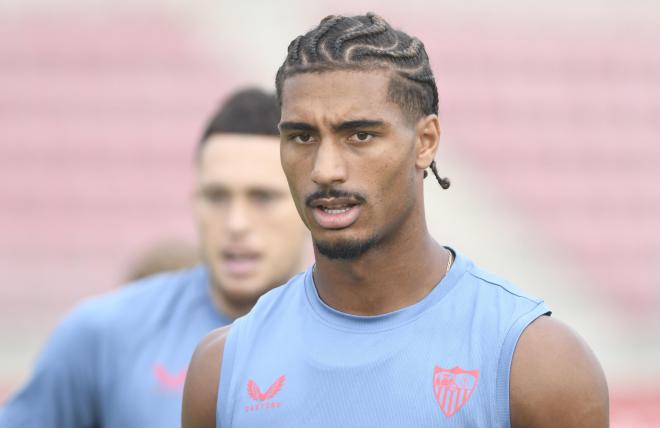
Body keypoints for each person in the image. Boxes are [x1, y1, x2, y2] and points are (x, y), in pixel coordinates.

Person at [182, 13, 609, 428]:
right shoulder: (221, 368)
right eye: (302, 136)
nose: (325, 169)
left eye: (360, 135)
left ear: (426, 142)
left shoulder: (534, 363)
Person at [0, 88, 310, 428]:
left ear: (307, 202)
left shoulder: (353, 339)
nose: (236, 223)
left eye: (262, 198)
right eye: (216, 196)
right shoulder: (103, 334)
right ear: (194, 201)